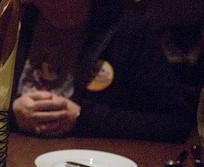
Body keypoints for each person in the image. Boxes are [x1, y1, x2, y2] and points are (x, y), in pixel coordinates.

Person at [11, 0, 195, 142]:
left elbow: (176, 124)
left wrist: (81, 118)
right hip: (14, 163)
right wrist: (11, 113)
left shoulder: (128, 30)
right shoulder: (12, 19)